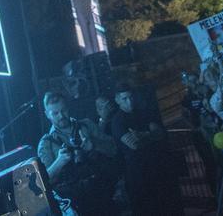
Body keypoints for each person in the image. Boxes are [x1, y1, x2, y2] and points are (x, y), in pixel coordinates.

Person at [37, 92, 118, 214]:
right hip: (75, 204)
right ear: (47, 114)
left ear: (68, 107)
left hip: (103, 192)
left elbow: (114, 149)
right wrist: (60, 161)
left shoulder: (87, 125)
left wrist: (94, 145)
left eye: (63, 110)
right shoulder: (46, 143)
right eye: (55, 113)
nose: (61, 116)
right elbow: (44, 182)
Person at [109, 83, 182, 215]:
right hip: (137, 173)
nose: (129, 101)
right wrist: (150, 134)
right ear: (117, 100)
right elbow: (134, 144)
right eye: (125, 98)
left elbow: (160, 133)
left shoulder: (143, 113)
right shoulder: (117, 121)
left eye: (131, 97)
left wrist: (143, 135)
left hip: (155, 166)